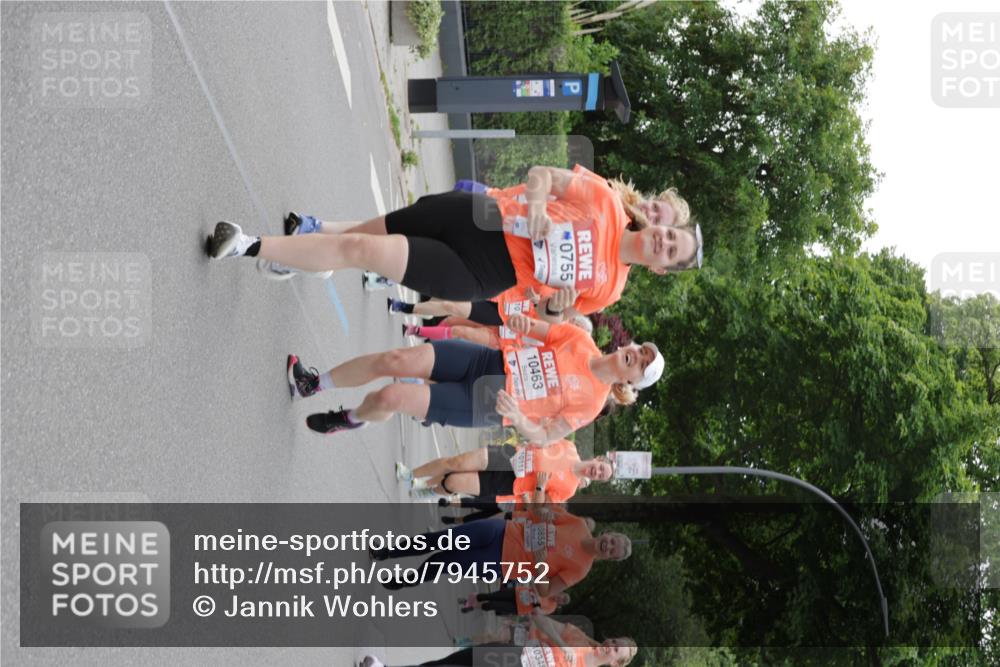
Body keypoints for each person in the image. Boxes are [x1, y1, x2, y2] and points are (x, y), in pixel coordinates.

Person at [206, 165, 702, 319]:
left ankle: (248, 244)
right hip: (482, 216)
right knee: (366, 232)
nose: (663, 241)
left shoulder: (611, 289)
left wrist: (557, 306)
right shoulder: (606, 203)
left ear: (662, 269)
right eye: (669, 236)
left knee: (362, 251)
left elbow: (549, 312)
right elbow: (540, 177)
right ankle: (302, 257)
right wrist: (533, 209)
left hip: (483, 272)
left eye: (671, 252)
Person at [286, 313, 664, 441]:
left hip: (485, 403)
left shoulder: (592, 401)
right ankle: (313, 384)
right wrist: (520, 322)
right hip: (485, 361)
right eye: (640, 350)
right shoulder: (581, 340)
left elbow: (547, 436)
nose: (635, 356)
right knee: (396, 358)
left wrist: (519, 420)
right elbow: (537, 328)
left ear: (630, 382)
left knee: (391, 398)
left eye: (640, 364)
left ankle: (349, 419)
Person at [370, 507, 630, 597]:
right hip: (501, 530)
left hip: (500, 562)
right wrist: (543, 513)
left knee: (444, 562)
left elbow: (546, 591)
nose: (608, 545)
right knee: (442, 540)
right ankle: (388, 552)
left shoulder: (581, 569)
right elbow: (538, 512)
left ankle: (404, 580)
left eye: (612, 551)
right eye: (612, 540)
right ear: (608, 534)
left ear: (610, 559)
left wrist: (539, 567)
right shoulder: (579, 524)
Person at [394, 440, 612, 502]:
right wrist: (532, 443)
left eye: (601, 476)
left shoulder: (569, 490)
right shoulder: (569, 447)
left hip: (509, 483)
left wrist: (540, 486)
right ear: (598, 459)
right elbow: (542, 439)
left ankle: (433, 491)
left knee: (454, 482)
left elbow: (538, 508)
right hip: (510, 455)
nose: (597, 472)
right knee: (458, 462)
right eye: (601, 468)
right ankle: (412, 474)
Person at [360, 620, 636, 667]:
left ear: (615, 662)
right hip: (509, 654)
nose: (609, 645)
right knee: (449, 662)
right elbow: (540, 619)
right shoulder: (579, 638)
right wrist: (559, 642)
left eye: (615, 650)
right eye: (613, 641)